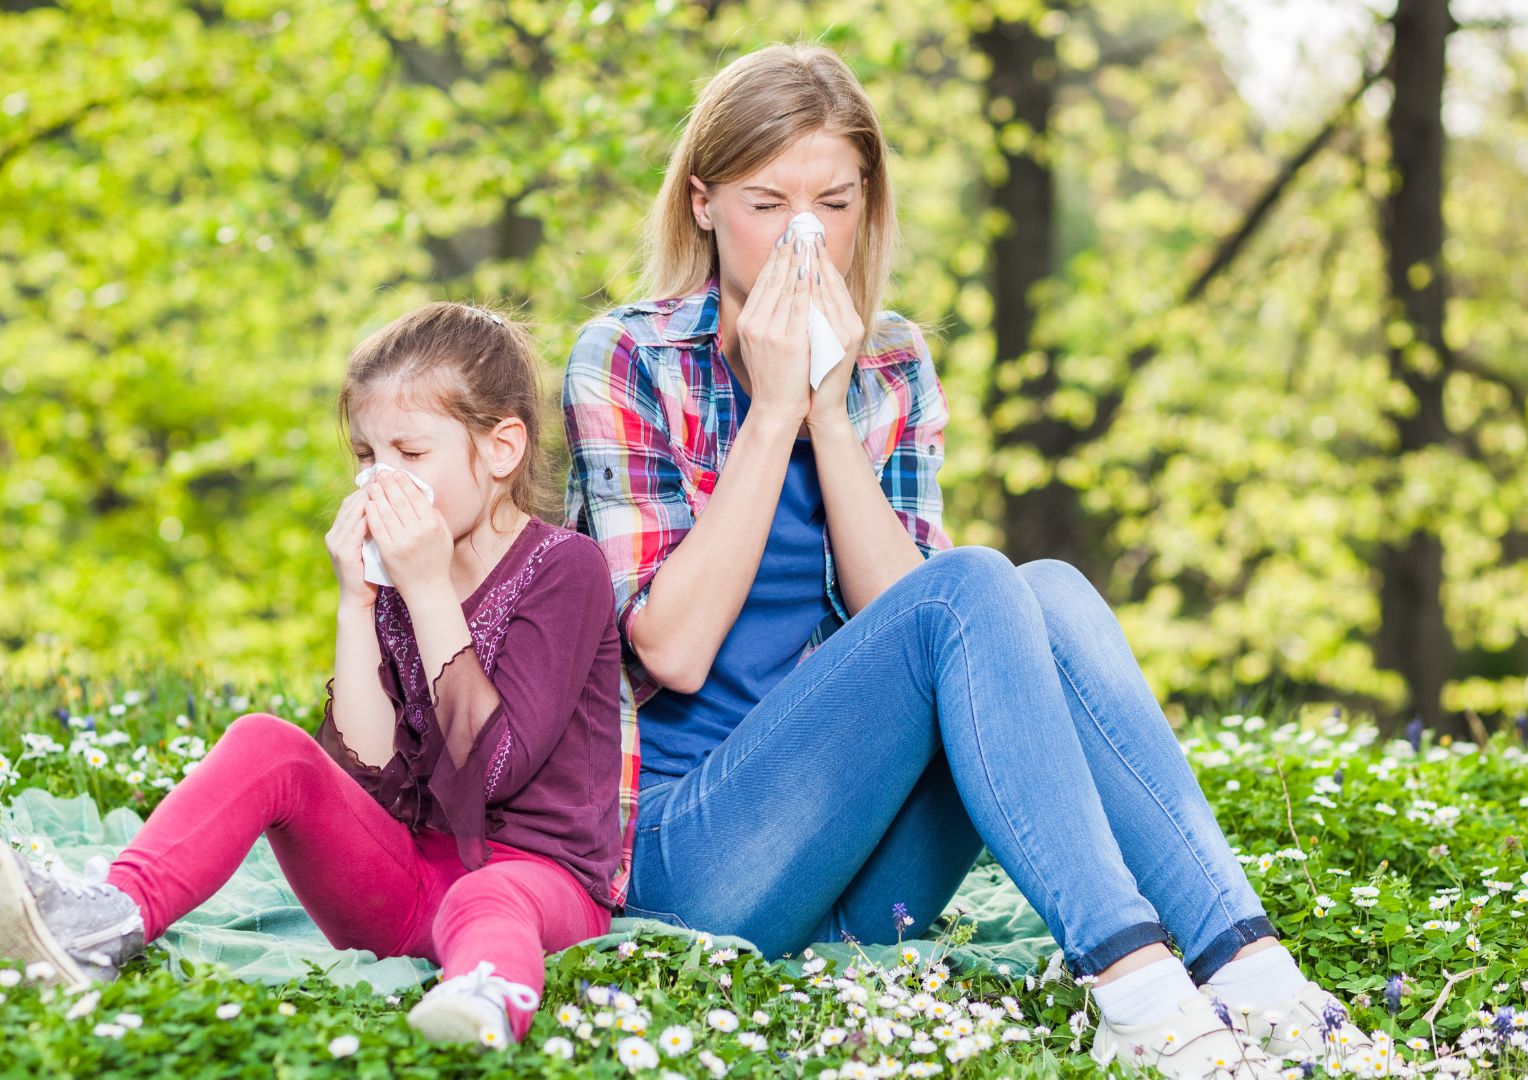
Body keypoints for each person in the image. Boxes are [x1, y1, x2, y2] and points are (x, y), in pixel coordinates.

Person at [561, 43, 1357, 1076]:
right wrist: (771, 413)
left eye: (833, 203)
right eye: (767, 205)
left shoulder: (890, 362)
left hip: (861, 870)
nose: (805, 237)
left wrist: (833, 413)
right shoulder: (628, 357)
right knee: (983, 581)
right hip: (696, 859)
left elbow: (930, 626)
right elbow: (669, 649)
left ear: (868, 204)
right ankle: (1132, 981)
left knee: (1047, 594)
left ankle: (1247, 967)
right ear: (704, 203)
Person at [0, 302, 625, 1046]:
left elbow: (492, 771)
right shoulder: (395, 582)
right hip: (406, 889)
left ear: (501, 450)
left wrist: (428, 588)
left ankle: (483, 1000)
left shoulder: (565, 569)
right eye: (366, 457)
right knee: (268, 741)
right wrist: (356, 602)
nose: (380, 482)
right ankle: (104, 921)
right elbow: (365, 781)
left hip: (538, 886)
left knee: (489, 896)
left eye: (410, 453)